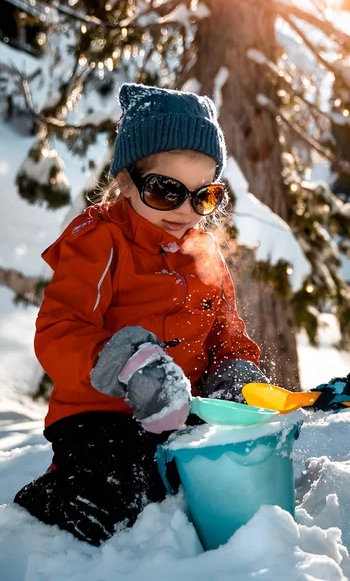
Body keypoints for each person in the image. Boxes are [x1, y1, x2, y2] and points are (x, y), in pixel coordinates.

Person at [14, 83, 270, 546]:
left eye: (203, 197)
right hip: (99, 417)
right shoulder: (100, 241)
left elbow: (225, 333)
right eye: (165, 191)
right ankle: (51, 499)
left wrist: (235, 371)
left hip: (180, 412)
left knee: (214, 490)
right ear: (127, 181)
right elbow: (59, 330)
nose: (185, 211)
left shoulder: (205, 251)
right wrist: (130, 367)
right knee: (120, 504)